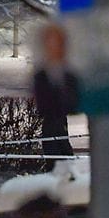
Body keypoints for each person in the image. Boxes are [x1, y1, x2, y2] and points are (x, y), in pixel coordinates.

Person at [32, 23, 79, 171]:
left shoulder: (70, 75)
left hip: (58, 121)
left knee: (60, 144)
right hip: (52, 121)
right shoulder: (40, 76)